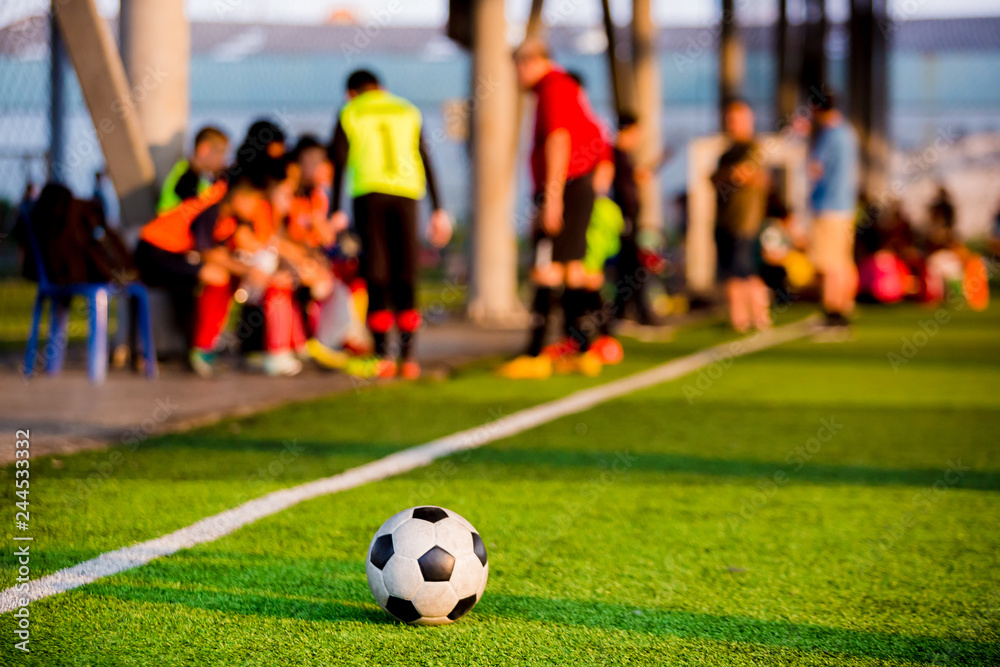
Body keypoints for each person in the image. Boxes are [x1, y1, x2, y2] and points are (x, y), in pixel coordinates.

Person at [327, 69, 452, 380]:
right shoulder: (406, 109)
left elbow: (339, 161)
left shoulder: (350, 111)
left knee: (377, 273)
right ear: (381, 88)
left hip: (369, 196)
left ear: (351, 93)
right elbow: (425, 156)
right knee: (406, 273)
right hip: (407, 195)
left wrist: (335, 208)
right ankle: (409, 359)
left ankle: (383, 356)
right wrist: (438, 209)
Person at [498, 37, 606, 379]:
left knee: (545, 267)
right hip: (579, 183)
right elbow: (599, 140)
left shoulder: (553, 87)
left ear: (528, 62)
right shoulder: (568, 87)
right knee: (571, 268)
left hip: (564, 185)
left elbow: (558, 139)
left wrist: (553, 195)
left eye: (516, 67)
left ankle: (535, 354)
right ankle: (580, 349)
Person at [135, 170, 280, 376]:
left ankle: (206, 345)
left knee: (225, 276)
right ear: (239, 197)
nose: (255, 209)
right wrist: (250, 270)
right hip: (154, 253)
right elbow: (208, 253)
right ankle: (201, 349)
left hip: (177, 256)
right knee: (217, 275)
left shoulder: (229, 218)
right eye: (253, 202)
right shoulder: (213, 209)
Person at [711, 99, 771, 333]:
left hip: (744, 220)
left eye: (737, 119)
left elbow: (744, 174)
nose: (732, 124)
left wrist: (728, 175)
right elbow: (718, 177)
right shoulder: (727, 153)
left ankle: (751, 317)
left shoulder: (752, 148)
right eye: (730, 119)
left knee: (742, 271)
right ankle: (742, 318)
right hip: (724, 219)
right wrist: (728, 175)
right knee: (733, 272)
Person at [808, 92, 860, 330]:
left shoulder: (829, 135)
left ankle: (832, 313)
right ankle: (845, 307)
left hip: (828, 206)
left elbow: (815, 168)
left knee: (829, 263)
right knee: (843, 262)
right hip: (846, 207)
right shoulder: (849, 133)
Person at [157, 126, 229, 214]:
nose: (223, 160)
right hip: (167, 224)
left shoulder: (199, 175)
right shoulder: (185, 175)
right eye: (221, 152)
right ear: (204, 149)